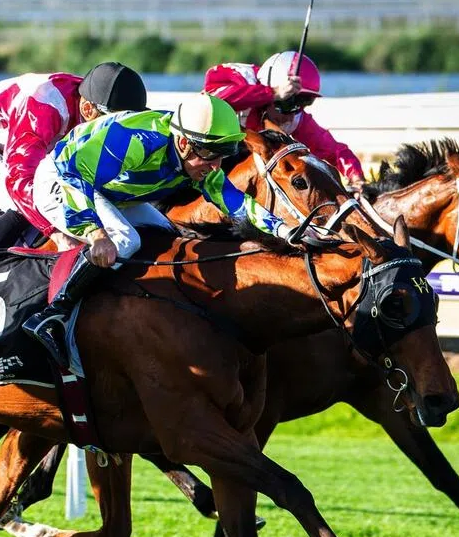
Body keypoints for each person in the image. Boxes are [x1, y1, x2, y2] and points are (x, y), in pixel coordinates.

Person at [21, 93, 285, 368]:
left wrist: (284, 230)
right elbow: (73, 173)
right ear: (183, 143)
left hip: (110, 191)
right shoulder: (138, 140)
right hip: (62, 179)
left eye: (223, 155)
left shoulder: (198, 154)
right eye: (210, 154)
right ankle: (53, 315)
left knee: (169, 238)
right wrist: (94, 232)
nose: (216, 166)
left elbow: (236, 203)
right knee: (125, 240)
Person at [0, 62, 149, 251]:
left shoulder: (96, 101)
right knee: (19, 200)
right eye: (114, 122)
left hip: (13, 141)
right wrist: (58, 235)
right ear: (88, 109)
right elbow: (19, 182)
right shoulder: (44, 107)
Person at [204, 50, 365, 191]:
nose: (291, 115)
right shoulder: (241, 80)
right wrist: (271, 93)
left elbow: (336, 151)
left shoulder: (296, 118)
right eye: (288, 103)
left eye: (302, 104)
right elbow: (210, 102)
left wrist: (356, 179)